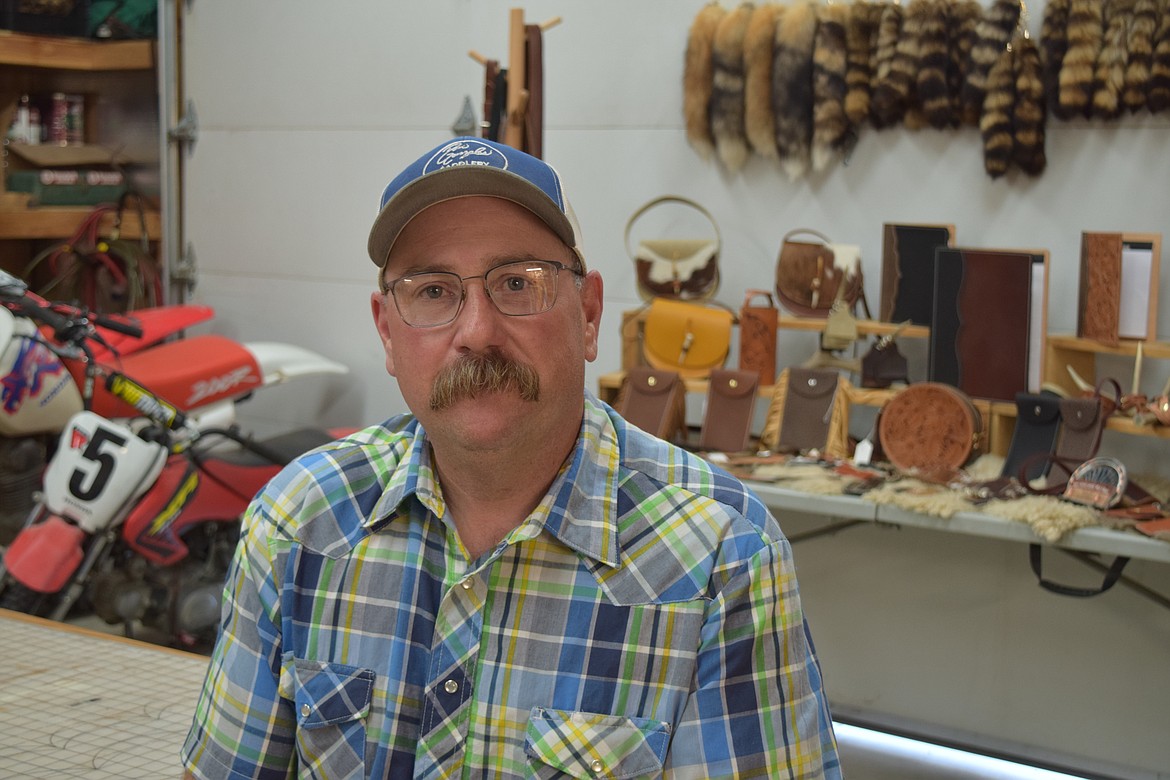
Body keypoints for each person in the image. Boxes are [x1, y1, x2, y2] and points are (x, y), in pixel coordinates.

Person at [181, 136, 841, 779]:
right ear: (387, 331)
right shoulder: (302, 519)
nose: (476, 332)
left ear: (588, 315)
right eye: (434, 291)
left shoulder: (719, 556)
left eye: (517, 283)